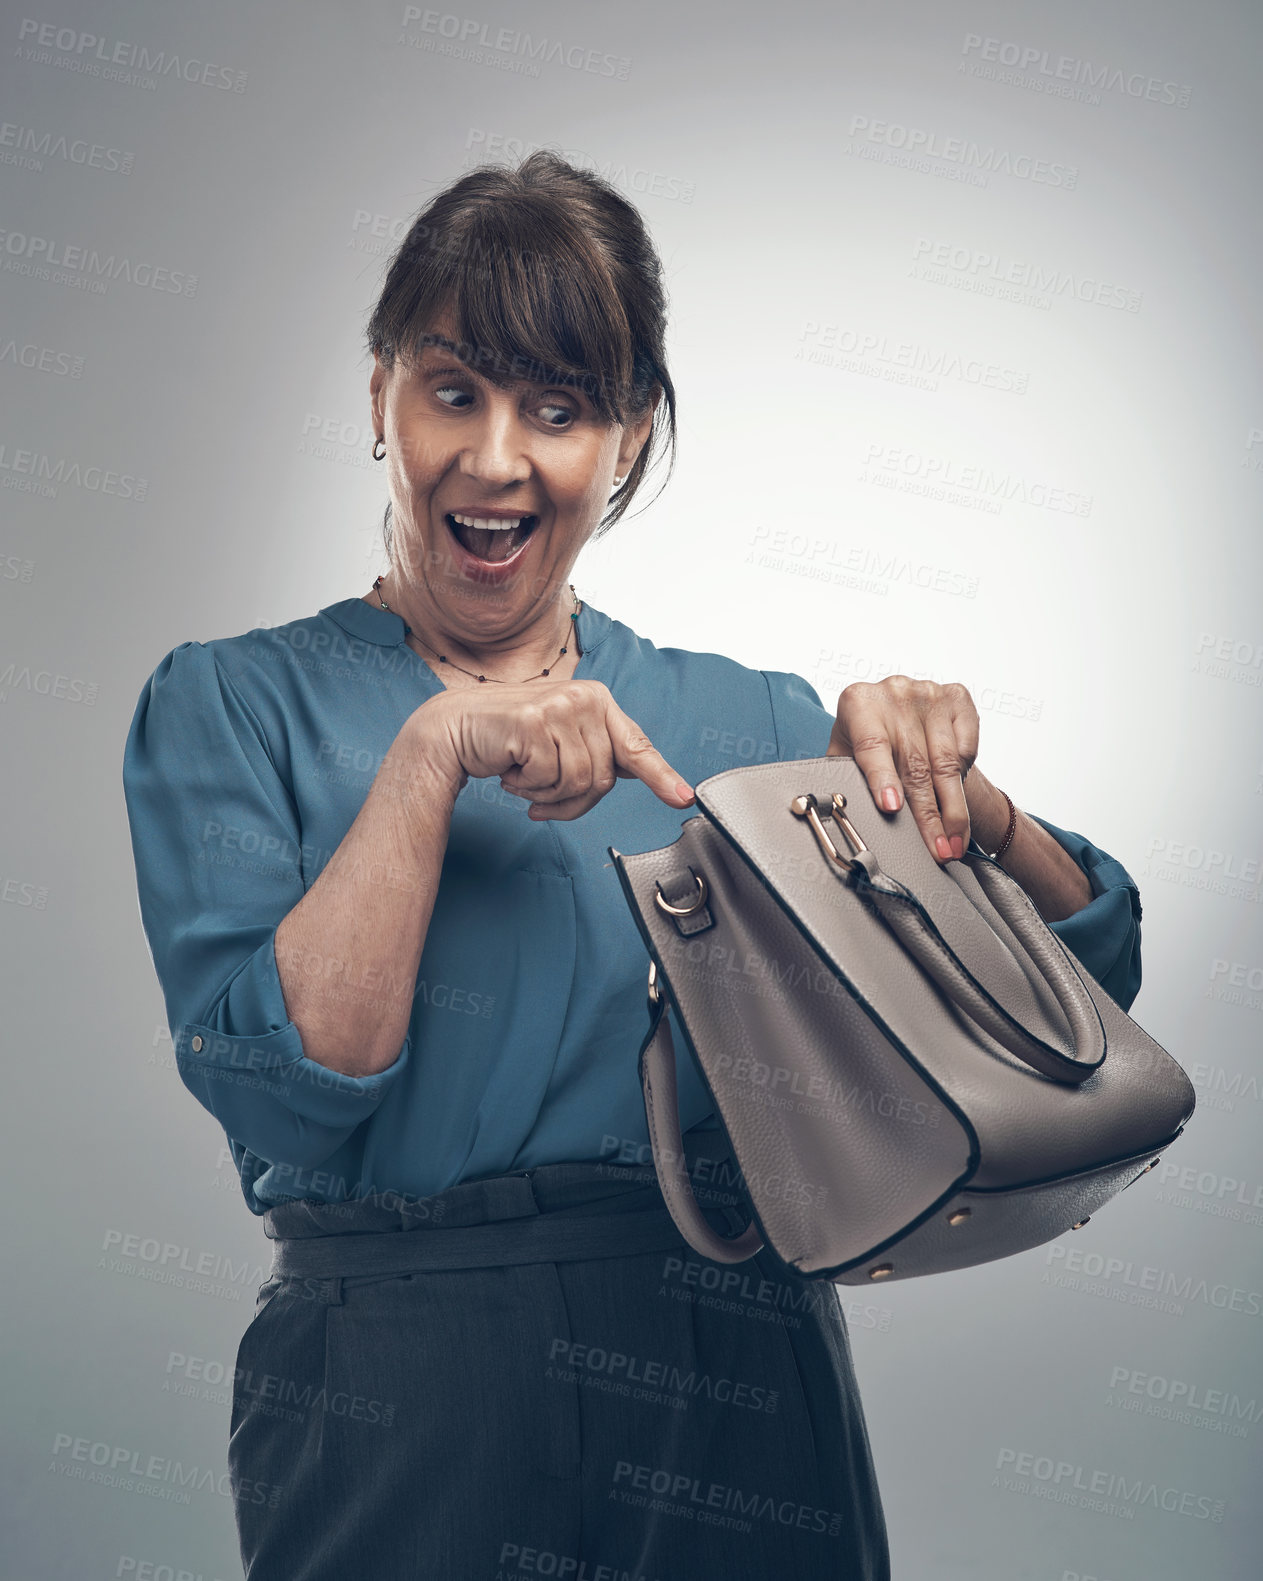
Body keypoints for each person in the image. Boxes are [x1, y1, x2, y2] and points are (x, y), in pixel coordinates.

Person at [122, 151, 1143, 1581]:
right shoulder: (229, 704)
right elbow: (289, 1079)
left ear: (629, 436)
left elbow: (1072, 1006)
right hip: (399, 1380)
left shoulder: (752, 727)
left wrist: (967, 793)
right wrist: (429, 760)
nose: (495, 458)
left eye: (560, 408)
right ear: (377, 395)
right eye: (453, 389)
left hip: (733, 1365)